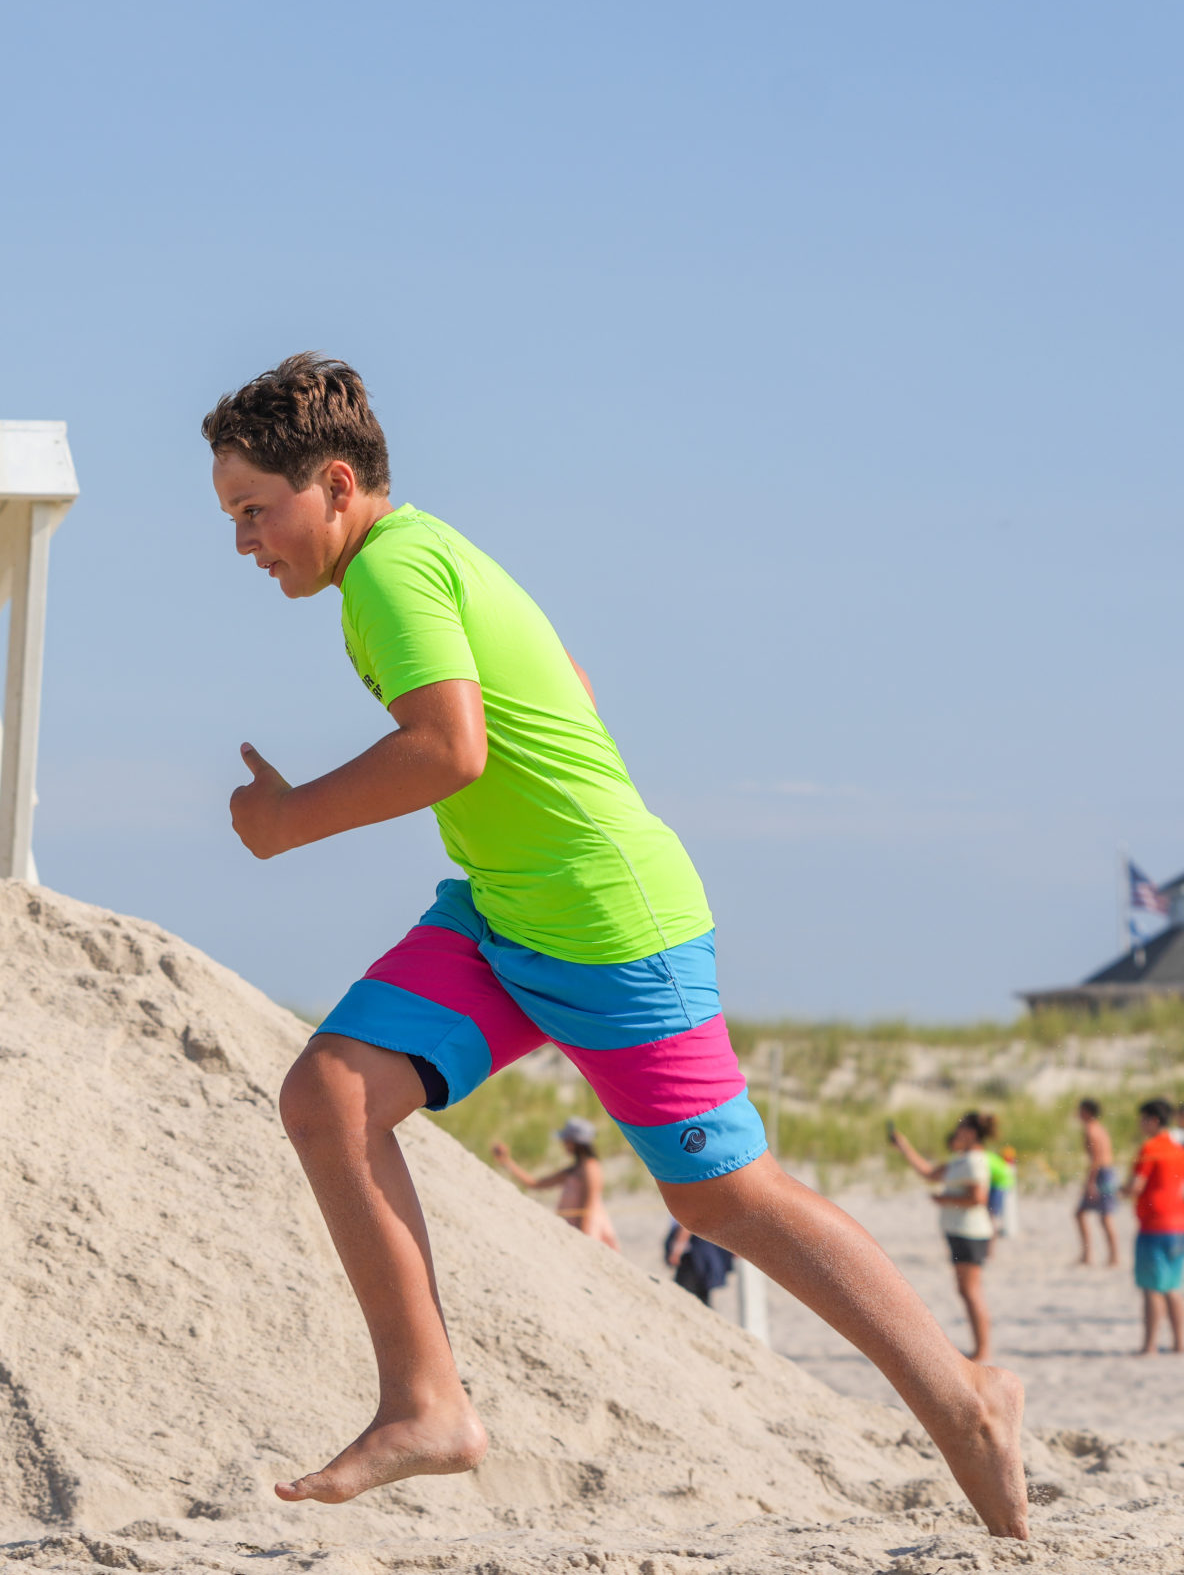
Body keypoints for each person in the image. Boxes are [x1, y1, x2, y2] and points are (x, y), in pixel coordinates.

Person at [205, 353, 1026, 1538]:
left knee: (722, 1196)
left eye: (252, 511)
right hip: (503, 912)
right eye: (231, 516)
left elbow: (449, 749)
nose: (241, 541)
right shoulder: (428, 553)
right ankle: (427, 1405)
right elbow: (566, 680)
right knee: (328, 1097)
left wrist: (287, 822)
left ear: (333, 485)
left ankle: (965, 1402)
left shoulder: (390, 574)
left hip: (605, 926)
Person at [890, 1114, 996, 1362]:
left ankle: (982, 1350)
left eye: (960, 1128)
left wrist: (944, 1200)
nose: (956, 1132)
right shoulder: (962, 1160)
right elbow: (928, 1172)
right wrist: (904, 1146)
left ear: (971, 1132)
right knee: (966, 1290)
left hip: (970, 1232)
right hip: (960, 1232)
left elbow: (978, 1198)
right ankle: (980, 1348)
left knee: (970, 1291)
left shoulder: (975, 1161)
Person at [487, 1118, 620, 1250]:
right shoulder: (575, 1169)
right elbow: (534, 1183)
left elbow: (587, 1207)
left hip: (588, 1229)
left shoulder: (590, 1168)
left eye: (566, 1140)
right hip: (577, 1228)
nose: (563, 1143)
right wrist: (506, 1161)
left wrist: (583, 1241)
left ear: (575, 1143)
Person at [1120, 1097, 1184, 1355]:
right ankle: (1180, 1343)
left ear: (1153, 1120)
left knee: (1151, 1289)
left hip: (1154, 1225)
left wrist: (1121, 1191)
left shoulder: (1150, 1148)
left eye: (1143, 1119)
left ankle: (1149, 1345)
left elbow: (1136, 1185)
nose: (1140, 1124)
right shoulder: (1178, 1147)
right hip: (1178, 1224)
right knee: (1171, 1287)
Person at [1074, 1097, 1121, 1267]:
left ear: (1087, 1112)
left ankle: (1093, 1255)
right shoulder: (1099, 1128)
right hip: (1107, 1171)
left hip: (1101, 1173)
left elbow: (1096, 1159)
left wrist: (1090, 1182)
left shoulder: (1090, 1130)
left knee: (1097, 1215)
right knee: (1101, 1216)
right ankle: (1108, 1255)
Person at [664, 1221, 736, 1308]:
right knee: (702, 1292)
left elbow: (687, 1226)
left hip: (694, 1257)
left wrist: (676, 1252)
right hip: (706, 1255)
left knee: (684, 1292)